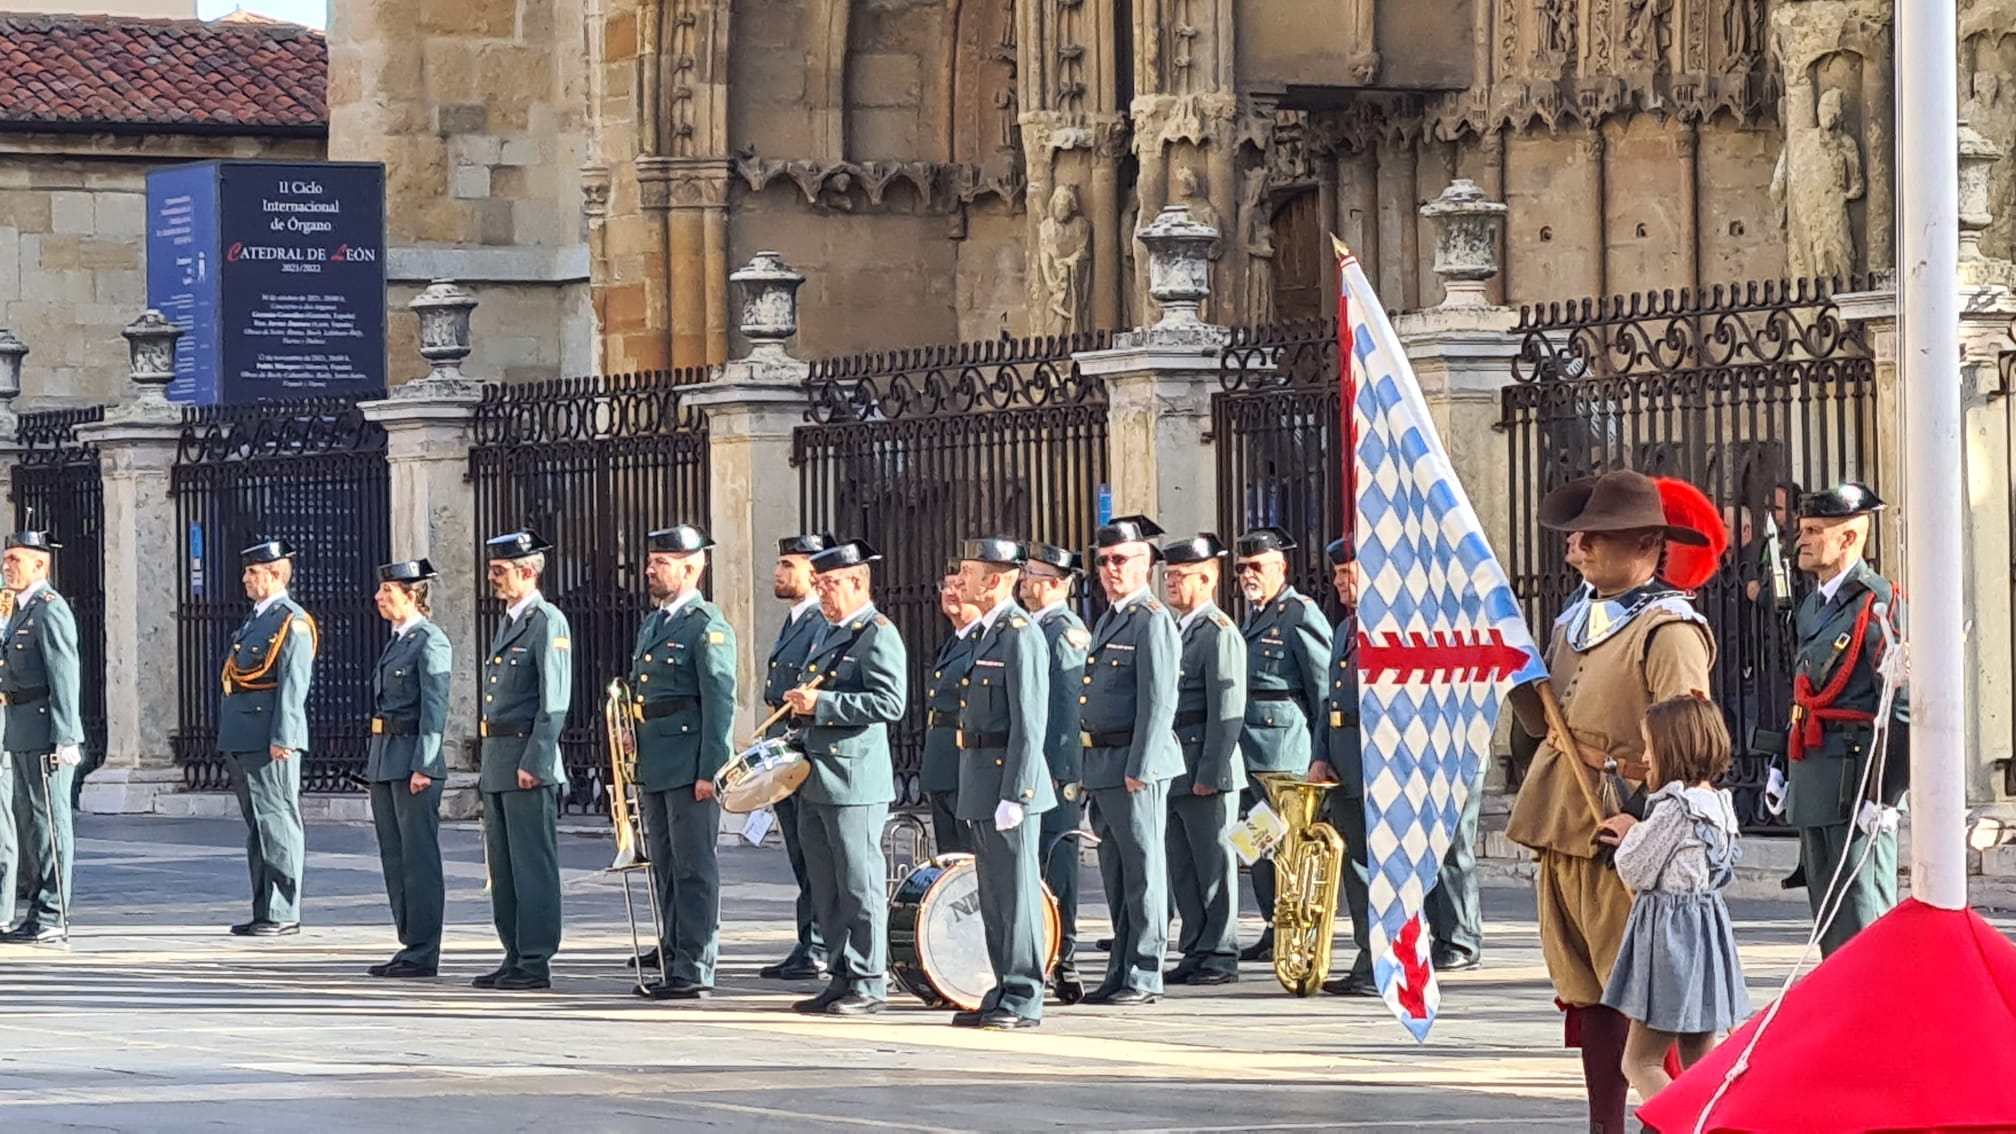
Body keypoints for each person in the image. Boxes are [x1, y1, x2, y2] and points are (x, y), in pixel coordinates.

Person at [1505, 470, 1718, 1134]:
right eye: (1575, 537)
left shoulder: (1669, 629)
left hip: (1626, 835)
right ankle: (1607, 1126)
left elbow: (1691, 745)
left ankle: (1679, 1123)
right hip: (1563, 820)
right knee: (1588, 996)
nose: (1576, 547)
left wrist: (1648, 821)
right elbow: (1546, 725)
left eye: (1594, 537)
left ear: (1646, 543)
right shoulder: (1575, 618)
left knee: (1651, 1002)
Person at [1764, 482, 1908, 956]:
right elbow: (1805, 694)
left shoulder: (1878, 602)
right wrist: (1783, 766)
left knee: (1864, 924)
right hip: (1816, 781)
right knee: (1829, 933)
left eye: (1813, 530)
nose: (1800, 540)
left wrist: (1885, 796)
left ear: (1848, 539)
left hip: (1855, 787)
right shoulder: (1812, 606)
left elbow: (1901, 707)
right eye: (1801, 529)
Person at [1598, 695, 1750, 1104]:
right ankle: (1709, 1119)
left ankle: (1683, 1123)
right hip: (1708, 932)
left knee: (1640, 1062)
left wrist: (1630, 833)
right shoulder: (1721, 804)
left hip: (1670, 937)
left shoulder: (1673, 808)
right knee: (1699, 1060)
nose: (1645, 757)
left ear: (1671, 749)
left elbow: (1634, 867)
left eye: (1650, 746)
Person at [784, 539, 907, 1016]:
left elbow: (890, 703)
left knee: (859, 883)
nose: (822, 593)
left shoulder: (877, 633)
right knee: (827, 883)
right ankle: (841, 972)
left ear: (858, 582)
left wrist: (824, 705)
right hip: (817, 776)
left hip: (854, 779)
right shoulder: (825, 630)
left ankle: (869, 979)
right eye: (817, 584)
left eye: (830, 584)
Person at [628, 525, 736, 999]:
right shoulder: (655, 623)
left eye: (661, 563)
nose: (650, 570)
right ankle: (673, 955)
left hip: (691, 761)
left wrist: (710, 770)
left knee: (694, 867)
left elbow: (720, 703)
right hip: (657, 758)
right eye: (651, 561)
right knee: (666, 865)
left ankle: (695, 965)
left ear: (691, 568)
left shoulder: (706, 625)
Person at [951, 537, 1054, 1029]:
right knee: (994, 894)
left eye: (969, 572)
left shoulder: (1019, 634)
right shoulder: (985, 633)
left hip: (1007, 784)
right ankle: (1003, 986)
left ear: (993, 580)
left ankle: (1025, 992)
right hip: (981, 779)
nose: (961, 580)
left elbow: (1029, 725)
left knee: (1017, 894)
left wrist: (1018, 793)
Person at [1080, 515, 1181, 1006]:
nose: (1110, 569)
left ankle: (1144, 972)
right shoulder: (1110, 618)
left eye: (1120, 560)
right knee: (1116, 874)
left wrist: (1140, 764)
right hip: (1104, 762)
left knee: (1144, 871)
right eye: (1102, 561)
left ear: (1146, 565)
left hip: (1136, 765)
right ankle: (1120, 968)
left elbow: (1159, 701)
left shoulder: (1152, 619)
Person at [475, 529, 573, 992]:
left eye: (500, 571)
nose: (492, 578)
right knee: (504, 865)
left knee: (531, 863)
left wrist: (536, 759)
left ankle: (535, 957)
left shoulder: (546, 620)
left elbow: (553, 700)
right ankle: (513, 952)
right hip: (499, 758)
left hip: (525, 760)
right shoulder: (511, 618)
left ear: (527, 571)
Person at [1231, 527, 1331, 963]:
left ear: (1280, 567)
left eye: (1256, 567)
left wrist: (1320, 752)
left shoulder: (1299, 614)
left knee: (1285, 844)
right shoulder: (1251, 616)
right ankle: (1273, 924)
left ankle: (1294, 930)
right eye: (1241, 569)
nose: (1248, 576)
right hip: (1248, 748)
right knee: (1254, 841)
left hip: (1284, 747)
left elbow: (1322, 690)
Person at [218, 538, 317, 938]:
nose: (245, 579)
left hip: (268, 738)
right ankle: (264, 908)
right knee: (258, 826)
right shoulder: (257, 618)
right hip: (243, 735)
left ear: (275, 574)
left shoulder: (290, 620)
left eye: (252, 572)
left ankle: (283, 911)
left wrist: (285, 737)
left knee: (277, 823)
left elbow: (294, 686)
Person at [1159, 533, 1245, 986]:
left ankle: (1219, 951)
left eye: (1180, 576)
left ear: (1207, 577)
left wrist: (1211, 771)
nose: (1171, 583)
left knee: (1214, 864)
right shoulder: (1178, 630)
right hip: (1177, 767)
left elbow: (1226, 713)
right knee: (1184, 865)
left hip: (1205, 768)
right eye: (1168, 576)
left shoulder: (1219, 633)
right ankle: (1195, 946)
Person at [363, 559, 452, 978]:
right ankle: (409, 941)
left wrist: (426, 765)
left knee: (418, 859)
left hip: (412, 761)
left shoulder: (429, 641)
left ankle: (423, 948)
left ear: (412, 595)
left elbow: (434, 710)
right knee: (394, 856)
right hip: (386, 759)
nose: (380, 598)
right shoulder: (398, 640)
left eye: (388, 592)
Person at [757, 532, 836, 982]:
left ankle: (819, 943)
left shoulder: (819, 623)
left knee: (813, 853)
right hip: (785, 746)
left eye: (789, 565)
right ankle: (809, 939)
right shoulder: (794, 621)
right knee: (800, 852)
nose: (778, 573)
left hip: (804, 746)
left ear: (814, 573)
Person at [0, 531, 83, 943]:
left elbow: (64, 673)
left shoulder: (50, 610)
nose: (7, 566)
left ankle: (51, 913)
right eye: (7, 558)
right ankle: (36, 908)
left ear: (40, 565)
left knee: (51, 823)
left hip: (45, 727)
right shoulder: (20, 609)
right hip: (21, 728)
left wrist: (67, 735)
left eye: (16, 559)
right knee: (31, 823)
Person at [1020, 541, 1092, 1002]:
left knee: (1055, 864)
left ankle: (1061, 954)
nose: (1023, 581)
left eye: (1029, 574)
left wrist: (1061, 772)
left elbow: (1065, 711)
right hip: (1038, 769)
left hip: (1054, 770)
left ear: (1052, 583)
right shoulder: (1034, 627)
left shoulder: (1063, 631)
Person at [1308, 538, 1376, 996]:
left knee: (1377, 867)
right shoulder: (1342, 631)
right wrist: (1319, 753)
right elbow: (1327, 703)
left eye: (1347, 574)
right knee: (1354, 866)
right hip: (1344, 763)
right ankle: (1367, 954)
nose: (1339, 584)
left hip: (1377, 766)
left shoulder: (1389, 629)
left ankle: (1382, 959)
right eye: (1335, 576)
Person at [922, 568, 983, 854]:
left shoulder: (984, 640)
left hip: (966, 760)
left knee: (969, 854)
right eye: (945, 585)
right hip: (943, 761)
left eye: (959, 585)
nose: (950, 592)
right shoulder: (954, 641)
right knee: (949, 855)